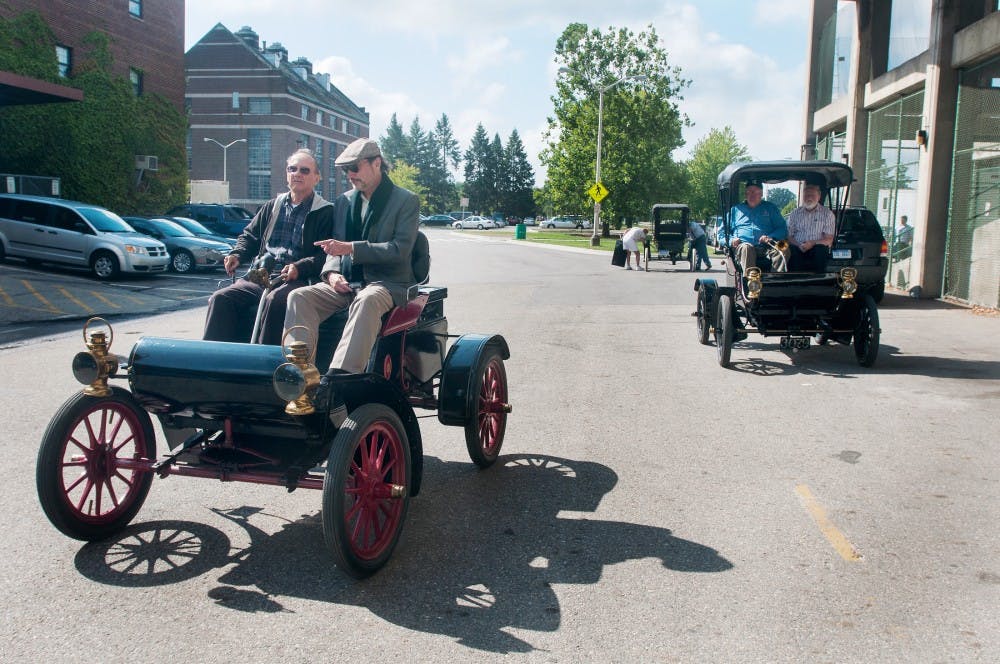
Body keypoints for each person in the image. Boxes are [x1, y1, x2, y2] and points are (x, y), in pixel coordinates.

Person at [283, 138, 419, 371]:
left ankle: (340, 379)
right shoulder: (344, 201)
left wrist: (352, 248)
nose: (350, 175)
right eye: (346, 170)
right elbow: (333, 250)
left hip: (386, 284)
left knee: (367, 299)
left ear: (377, 163)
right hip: (347, 283)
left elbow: (400, 251)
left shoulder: (406, 201)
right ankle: (299, 376)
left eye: (354, 168)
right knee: (299, 297)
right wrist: (332, 274)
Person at [202, 149, 336, 344]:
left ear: (317, 178)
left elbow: (327, 255)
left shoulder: (326, 212)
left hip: (298, 279)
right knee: (221, 298)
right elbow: (250, 235)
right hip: (261, 275)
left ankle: (266, 367)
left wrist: (299, 267)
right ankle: (211, 364)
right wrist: (237, 254)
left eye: (305, 170)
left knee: (276, 301)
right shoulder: (272, 206)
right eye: (292, 169)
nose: (297, 173)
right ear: (286, 174)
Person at [726, 180, 788, 272]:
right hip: (743, 246)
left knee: (784, 247)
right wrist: (731, 240)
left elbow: (782, 229)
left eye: (755, 192)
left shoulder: (770, 208)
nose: (752, 195)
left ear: (761, 194)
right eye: (749, 192)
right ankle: (751, 283)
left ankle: (775, 281)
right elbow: (722, 233)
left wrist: (769, 237)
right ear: (745, 194)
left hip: (767, 245)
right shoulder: (735, 210)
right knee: (747, 248)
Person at [786, 180, 835, 271]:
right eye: (806, 195)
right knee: (790, 250)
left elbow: (829, 239)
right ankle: (794, 282)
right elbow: (789, 236)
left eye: (812, 195)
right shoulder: (795, 213)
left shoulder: (827, 214)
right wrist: (799, 245)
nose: (809, 197)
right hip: (798, 246)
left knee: (820, 250)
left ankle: (817, 282)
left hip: (816, 247)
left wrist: (812, 243)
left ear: (819, 196)